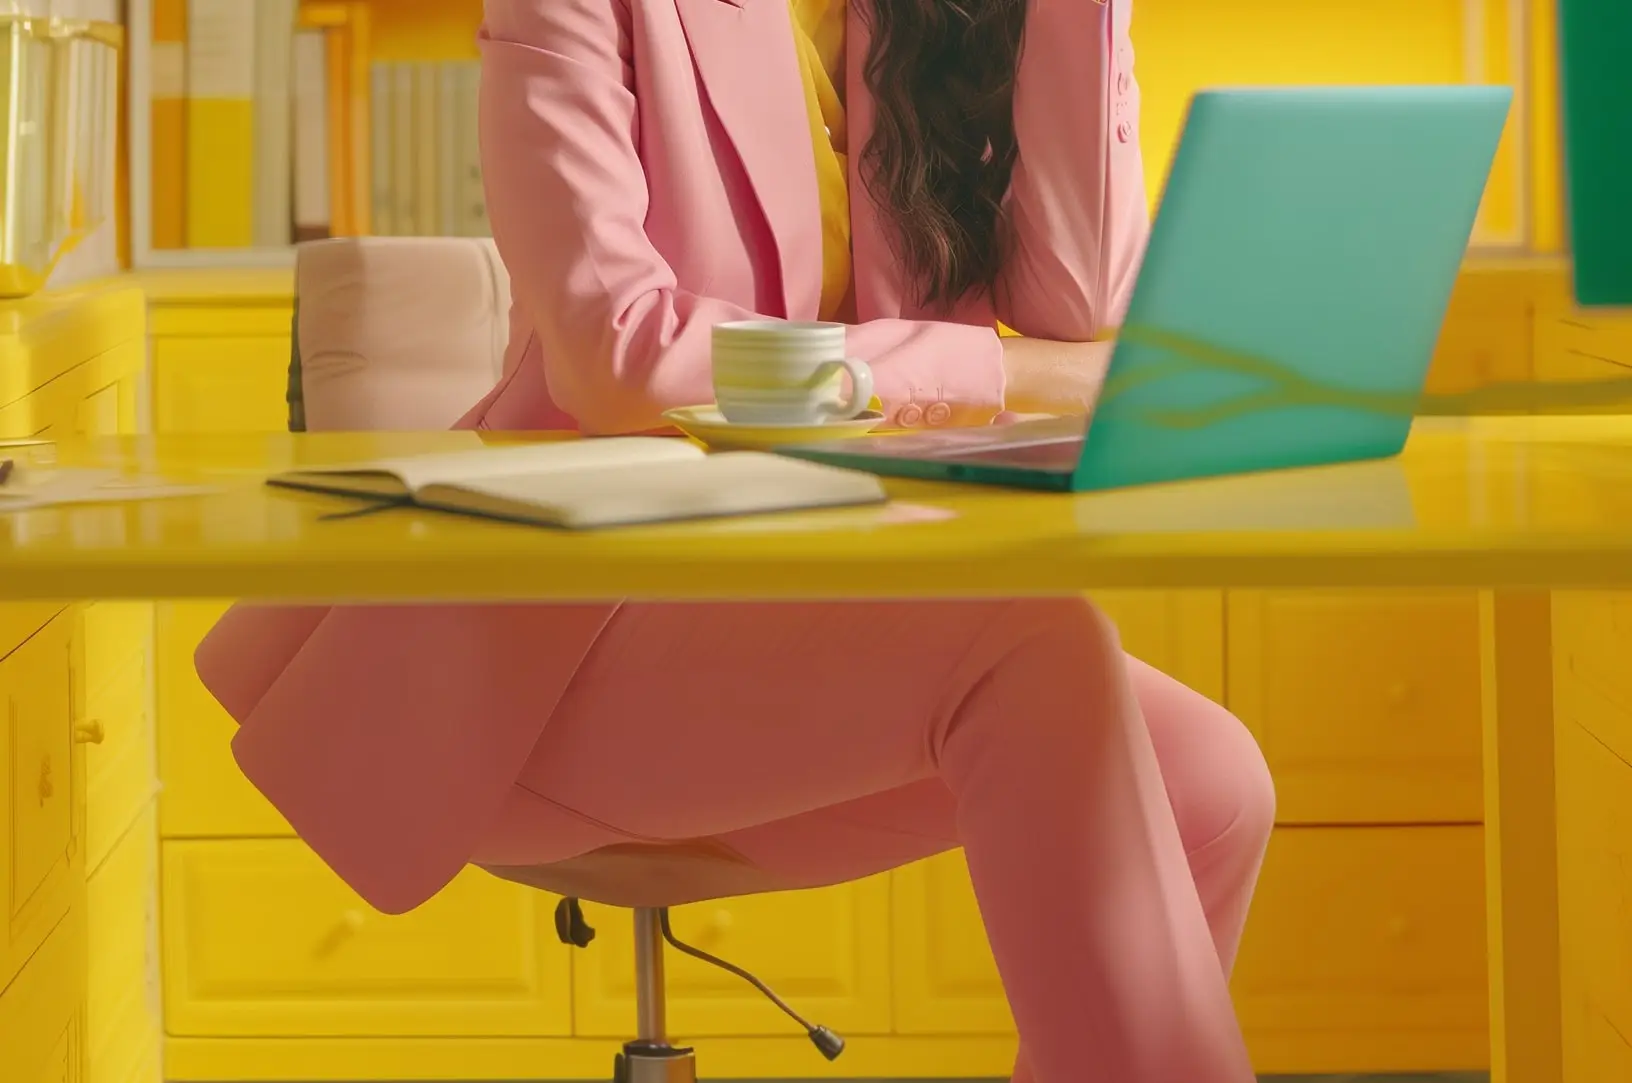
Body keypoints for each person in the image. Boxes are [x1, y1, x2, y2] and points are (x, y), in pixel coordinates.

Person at [195, 0, 1275, 1079]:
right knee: (1037, 649)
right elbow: (620, 358)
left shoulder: (933, 17)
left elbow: (1080, 306)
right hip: (556, 644)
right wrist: (993, 374)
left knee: (1212, 785)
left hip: (833, 602)